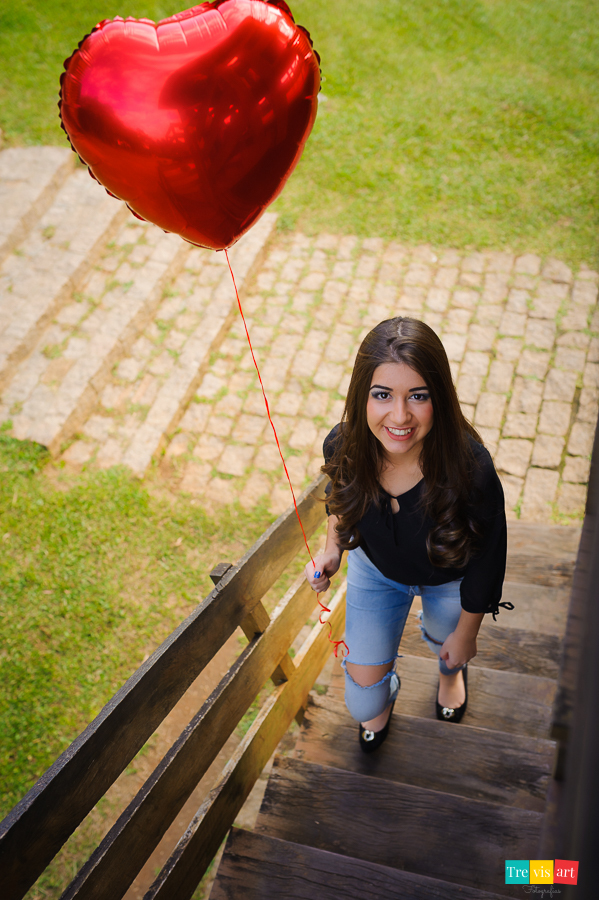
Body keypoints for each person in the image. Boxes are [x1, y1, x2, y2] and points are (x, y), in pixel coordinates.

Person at [304, 316, 510, 752]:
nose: (400, 416)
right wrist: (331, 551)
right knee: (363, 704)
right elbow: (340, 498)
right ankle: (386, 689)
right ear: (361, 396)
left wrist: (466, 635)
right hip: (376, 573)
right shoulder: (342, 445)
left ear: (440, 397)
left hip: (450, 579)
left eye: (418, 396)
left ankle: (450, 675)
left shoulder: (471, 469)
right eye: (382, 395)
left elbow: (489, 559)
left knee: (447, 645)